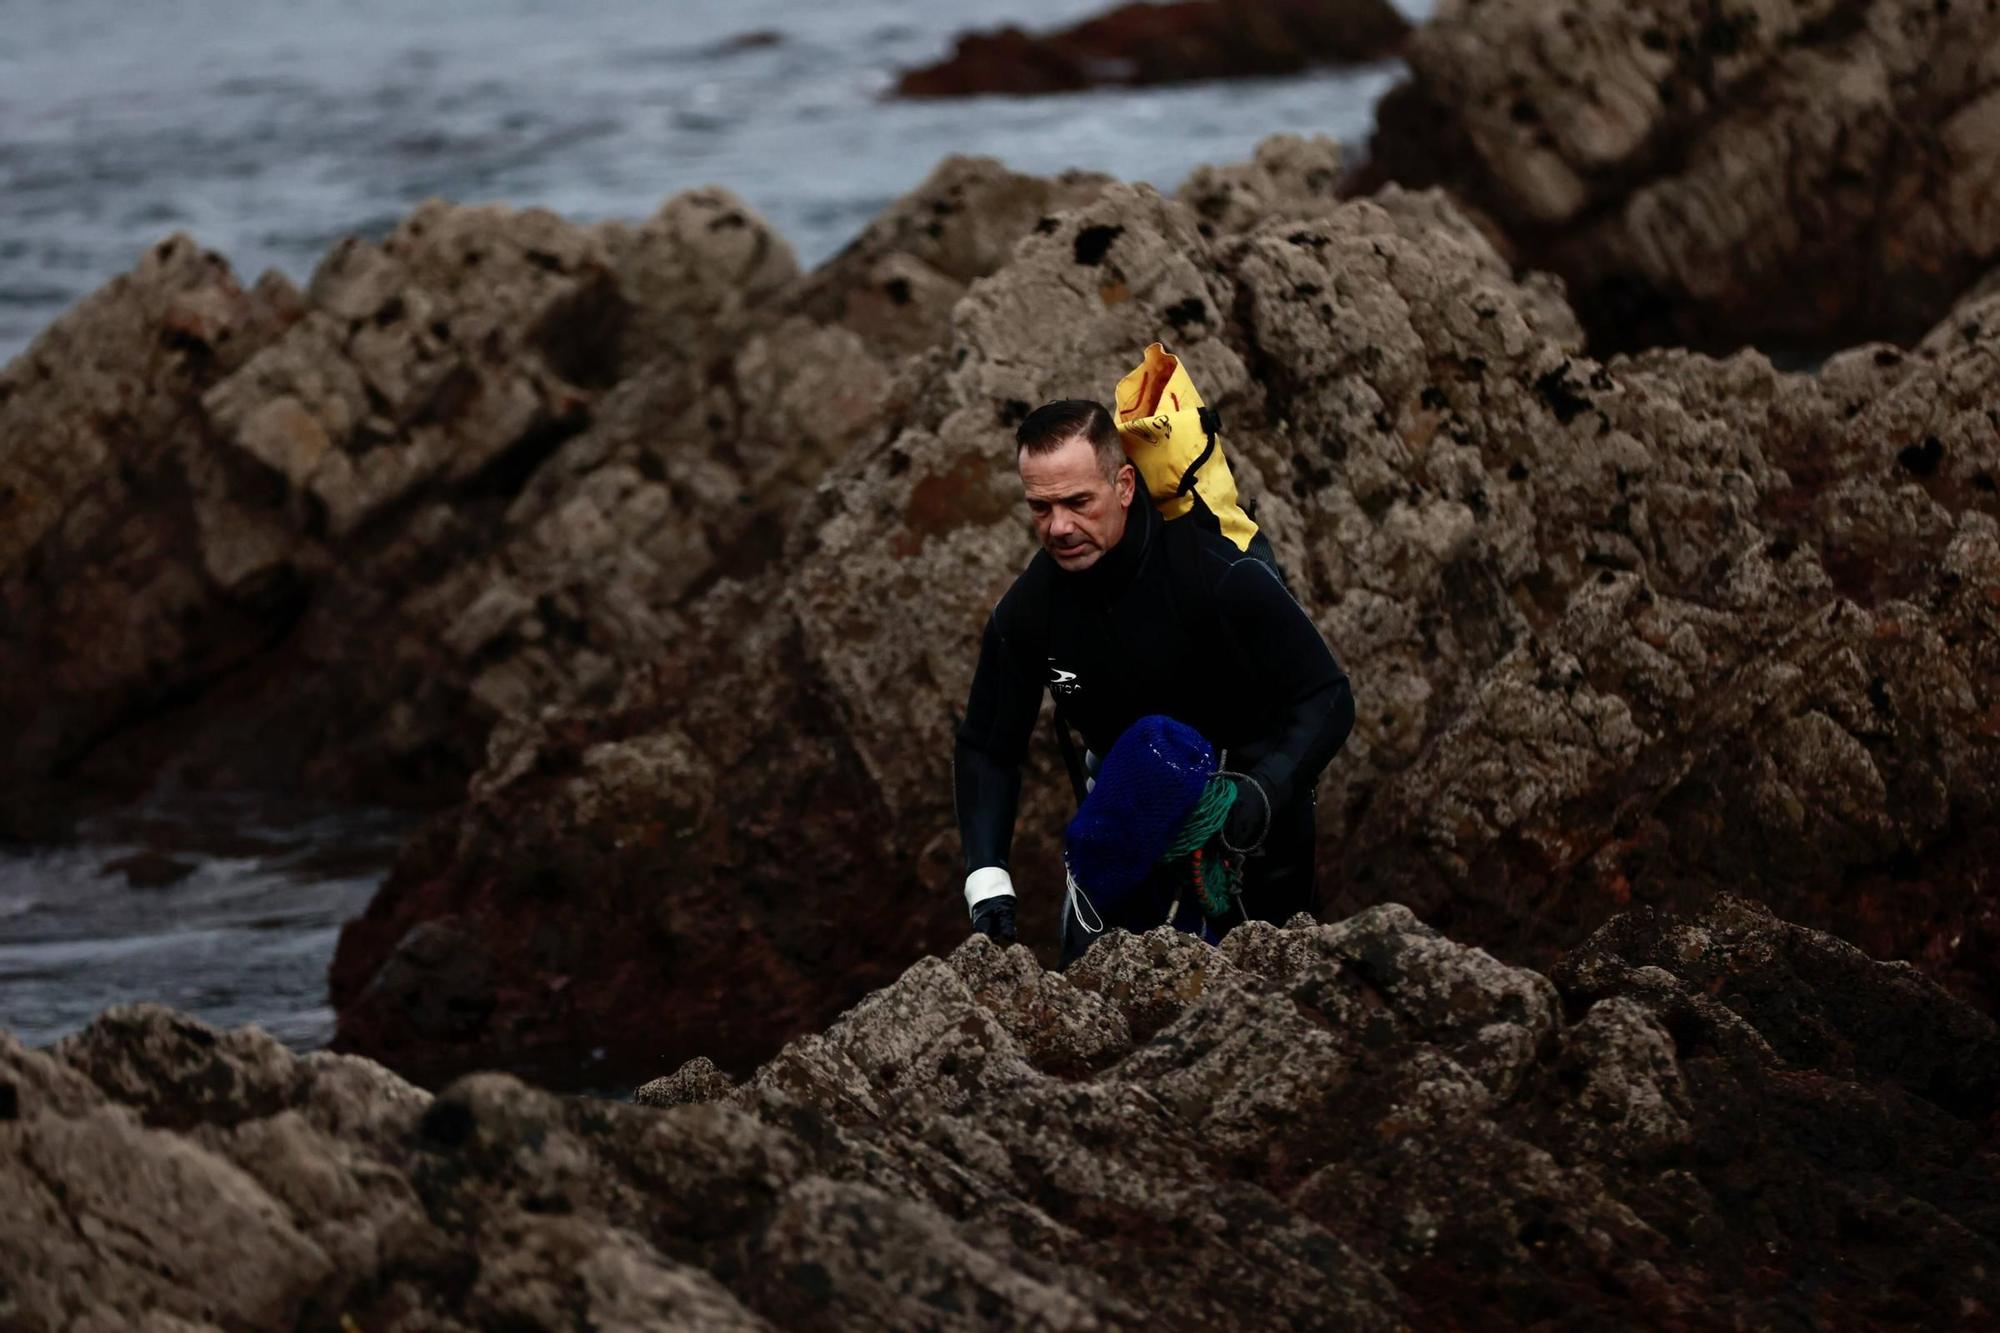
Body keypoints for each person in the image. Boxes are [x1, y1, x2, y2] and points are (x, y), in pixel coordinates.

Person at [953, 398, 1354, 963]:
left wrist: (1262, 792)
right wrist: (987, 882)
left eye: (1077, 502)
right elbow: (988, 750)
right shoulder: (1030, 612)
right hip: (1127, 824)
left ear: (1123, 485)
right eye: (1040, 508)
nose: (1059, 527)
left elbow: (1328, 697)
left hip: (1251, 829)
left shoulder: (1215, 573)